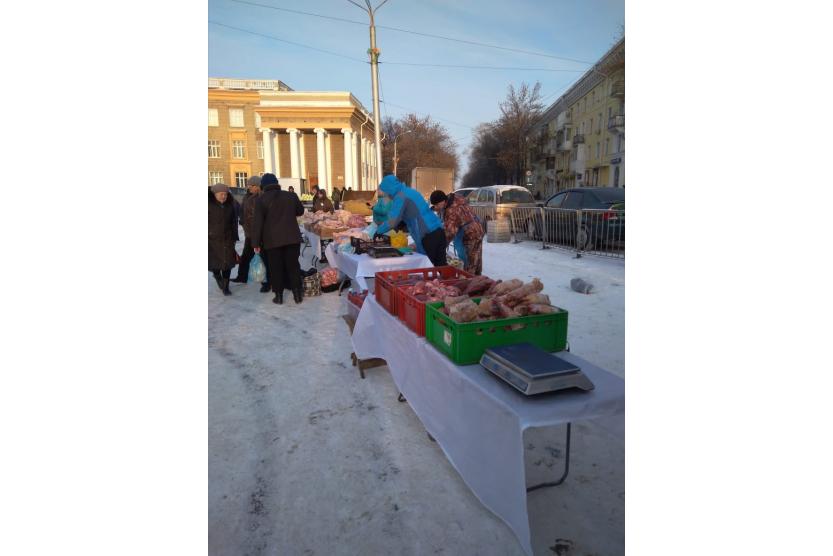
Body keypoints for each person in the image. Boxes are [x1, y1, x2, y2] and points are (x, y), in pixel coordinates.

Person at [251, 173, 305, 304]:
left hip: (272, 241)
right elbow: (300, 211)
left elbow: (257, 223)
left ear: (263, 186)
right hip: (292, 238)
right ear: (277, 183)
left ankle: (279, 296)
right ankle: (297, 295)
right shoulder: (291, 196)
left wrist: (255, 243)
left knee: (276, 268)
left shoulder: (260, 200)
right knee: (293, 266)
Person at [375, 175, 447, 266]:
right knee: (441, 267)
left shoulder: (400, 196)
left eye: (386, 191)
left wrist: (379, 231)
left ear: (389, 188)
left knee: (428, 268)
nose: (387, 195)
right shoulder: (409, 191)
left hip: (428, 235)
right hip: (438, 231)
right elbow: (413, 213)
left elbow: (392, 221)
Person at [430, 190, 485, 275]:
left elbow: (449, 232)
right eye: (434, 205)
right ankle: (478, 279)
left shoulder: (452, 211)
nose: (436, 207)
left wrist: (440, 247)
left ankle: (471, 282)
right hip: (478, 229)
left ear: (443, 201)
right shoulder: (455, 197)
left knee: (469, 263)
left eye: (437, 204)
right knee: (476, 260)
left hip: (470, 234)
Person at [208, 183, 239, 296]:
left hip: (228, 239)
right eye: (221, 194)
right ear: (215, 194)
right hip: (212, 240)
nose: (223, 197)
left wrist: (235, 236)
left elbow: (234, 222)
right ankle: (217, 275)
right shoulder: (208, 205)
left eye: (225, 194)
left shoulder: (230, 204)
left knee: (228, 263)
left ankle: (226, 287)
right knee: (215, 264)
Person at [231, 176, 263, 284]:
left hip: (259, 233)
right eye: (249, 185)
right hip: (249, 232)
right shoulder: (247, 196)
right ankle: (242, 276)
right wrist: (242, 220)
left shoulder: (261, 197)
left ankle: (267, 279)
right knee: (246, 256)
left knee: (264, 256)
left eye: (252, 185)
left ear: (258, 186)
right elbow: (242, 210)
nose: (249, 187)